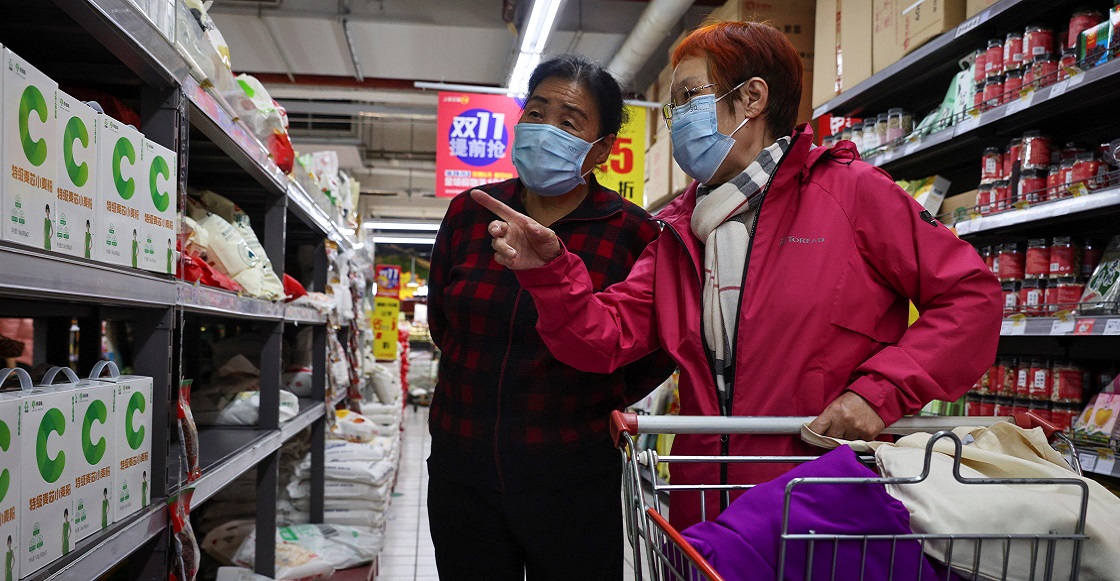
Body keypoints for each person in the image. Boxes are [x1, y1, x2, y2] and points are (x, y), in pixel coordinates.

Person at [472, 21, 1003, 531]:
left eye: (687, 98)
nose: (677, 118)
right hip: (704, 507)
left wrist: (878, 393)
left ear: (752, 98)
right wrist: (550, 272)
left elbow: (970, 298)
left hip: (821, 499)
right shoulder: (680, 234)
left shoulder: (850, 195)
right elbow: (602, 339)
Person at [426, 54, 675, 580]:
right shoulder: (472, 210)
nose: (543, 130)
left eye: (568, 121)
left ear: (602, 148)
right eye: (535, 112)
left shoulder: (631, 231)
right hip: (462, 466)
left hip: (571, 477)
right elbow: (443, 322)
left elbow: (651, 351)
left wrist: (594, 403)